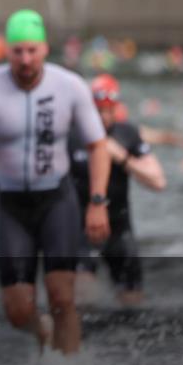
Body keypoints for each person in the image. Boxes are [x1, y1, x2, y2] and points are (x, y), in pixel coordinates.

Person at [0, 9, 109, 355]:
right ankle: (43, 335)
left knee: (62, 296)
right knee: (17, 310)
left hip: (57, 200)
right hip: (11, 204)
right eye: (17, 51)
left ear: (44, 48)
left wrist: (97, 203)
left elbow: (98, 146)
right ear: (6, 50)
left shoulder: (69, 86)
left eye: (32, 50)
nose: (25, 59)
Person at [69, 74, 166, 306]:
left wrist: (121, 157)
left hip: (118, 227)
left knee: (132, 303)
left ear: (117, 108)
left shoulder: (127, 134)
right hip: (80, 228)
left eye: (108, 110)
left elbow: (158, 182)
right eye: (98, 110)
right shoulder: (72, 135)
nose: (102, 117)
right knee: (83, 297)